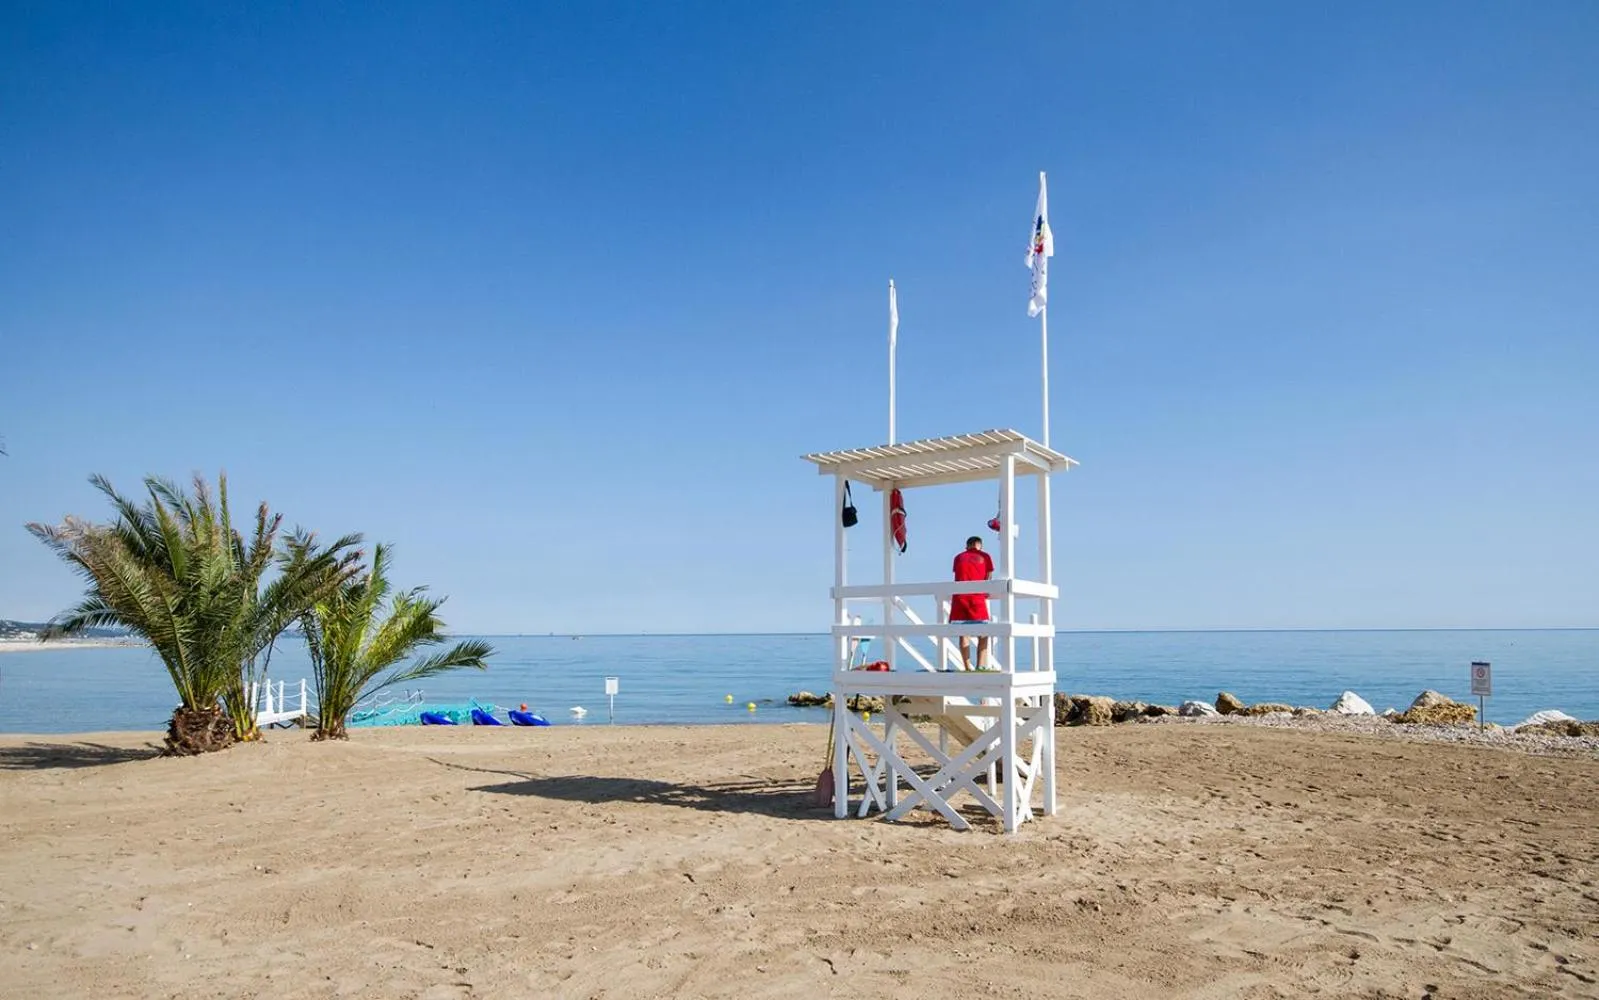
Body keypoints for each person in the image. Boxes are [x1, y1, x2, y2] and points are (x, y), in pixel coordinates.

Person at [949, 535, 994, 669]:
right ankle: (980, 666)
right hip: (977, 598)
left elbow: (957, 574)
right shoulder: (985, 556)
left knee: (964, 634)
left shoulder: (958, 557)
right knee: (983, 634)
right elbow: (988, 576)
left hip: (959, 599)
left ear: (967, 546)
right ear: (980, 545)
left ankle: (967, 667)